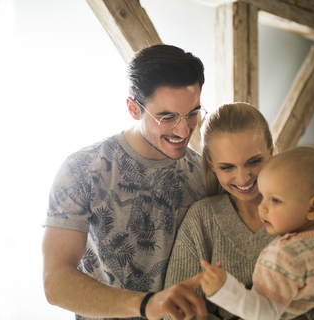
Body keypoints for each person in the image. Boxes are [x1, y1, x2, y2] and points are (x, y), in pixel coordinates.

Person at [164, 102, 314, 320]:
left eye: (254, 161)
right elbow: (174, 312)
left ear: (270, 151)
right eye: (227, 167)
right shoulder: (201, 221)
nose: (243, 178)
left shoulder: (308, 202)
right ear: (211, 164)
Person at [42, 44, 209, 320]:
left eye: (192, 113)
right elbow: (55, 282)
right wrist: (147, 305)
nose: (183, 130)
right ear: (133, 108)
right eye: (167, 117)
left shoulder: (205, 175)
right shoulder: (83, 169)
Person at [199, 146, 314, 320]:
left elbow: (267, 313)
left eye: (275, 200)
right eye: (263, 196)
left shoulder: (282, 257)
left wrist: (225, 290)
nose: (262, 207)